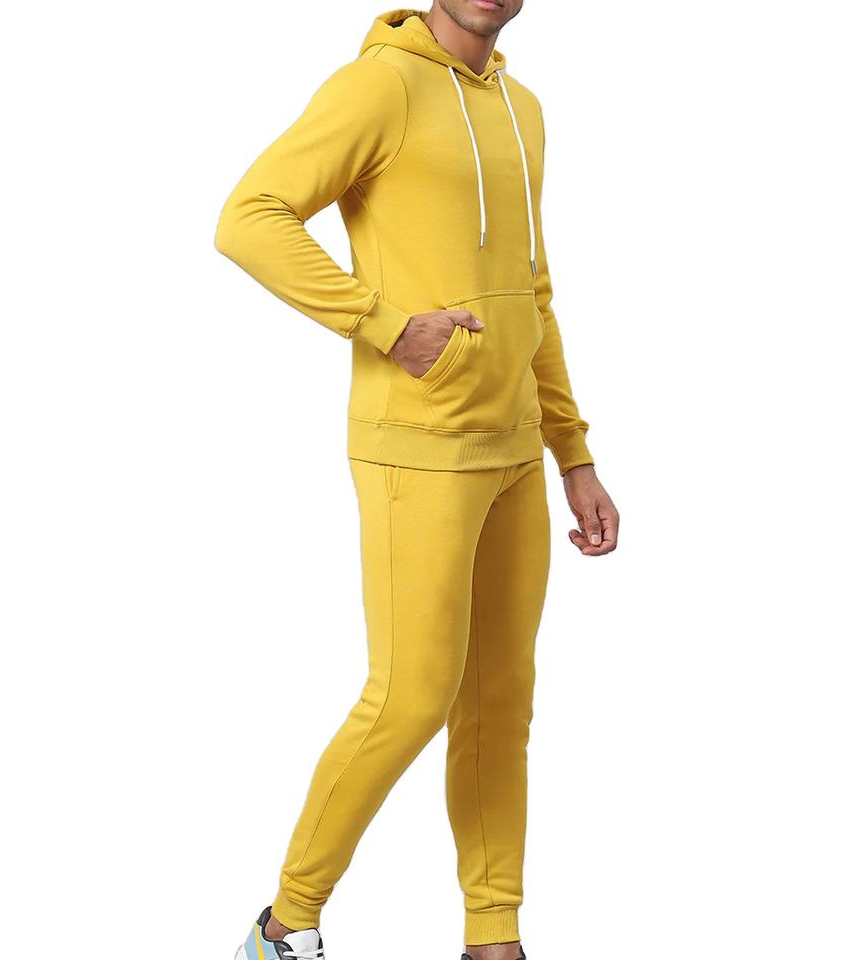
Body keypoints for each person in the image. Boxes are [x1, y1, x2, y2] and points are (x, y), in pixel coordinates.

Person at [215, 4, 619, 958]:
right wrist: (386, 326)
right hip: (419, 447)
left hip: (514, 452)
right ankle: (284, 924)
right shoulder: (382, 86)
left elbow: (533, 294)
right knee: (410, 697)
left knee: (500, 704)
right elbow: (249, 218)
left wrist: (573, 452)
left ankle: (494, 935)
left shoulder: (523, 107)